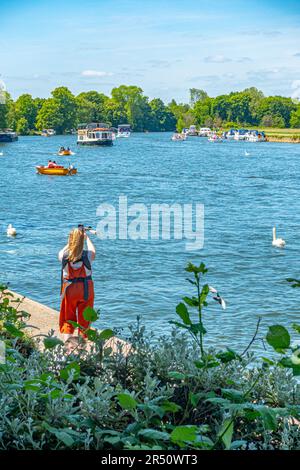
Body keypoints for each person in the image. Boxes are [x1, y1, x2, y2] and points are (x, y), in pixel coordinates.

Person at [58, 227, 96, 341]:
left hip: (69, 290)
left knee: (68, 319)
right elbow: (93, 250)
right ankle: (81, 350)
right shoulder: (88, 256)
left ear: (71, 240)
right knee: (85, 321)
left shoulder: (63, 255)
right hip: (86, 290)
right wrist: (87, 238)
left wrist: (71, 242)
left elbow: (66, 250)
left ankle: (66, 347)